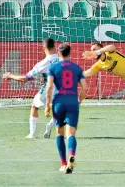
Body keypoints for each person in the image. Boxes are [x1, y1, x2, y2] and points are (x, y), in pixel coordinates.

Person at [3, 38, 58, 139]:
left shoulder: (43, 63)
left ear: (44, 47)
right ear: (55, 47)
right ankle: (50, 125)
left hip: (48, 89)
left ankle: (32, 134)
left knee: (34, 106)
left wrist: (10, 76)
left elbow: (25, 79)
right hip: (64, 89)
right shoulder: (62, 58)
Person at [45, 43, 87, 174]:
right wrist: (80, 99)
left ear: (58, 53)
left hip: (59, 102)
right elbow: (85, 88)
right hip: (72, 101)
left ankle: (63, 164)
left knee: (59, 133)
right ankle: (72, 155)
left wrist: (47, 105)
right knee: (71, 134)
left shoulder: (53, 67)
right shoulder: (77, 68)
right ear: (70, 53)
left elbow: (49, 87)